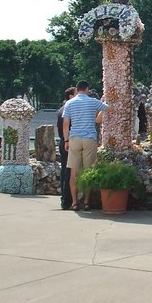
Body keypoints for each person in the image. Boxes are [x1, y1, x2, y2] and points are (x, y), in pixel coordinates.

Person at [62, 80, 108, 211]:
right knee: (88, 171)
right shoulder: (93, 102)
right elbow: (109, 108)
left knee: (73, 173)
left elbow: (66, 124)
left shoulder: (69, 103)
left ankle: (75, 202)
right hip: (89, 138)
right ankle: (87, 202)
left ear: (77, 89)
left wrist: (66, 141)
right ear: (87, 89)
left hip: (74, 138)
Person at [56, 86, 76, 209]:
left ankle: (64, 198)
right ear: (70, 96)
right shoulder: (69, 110)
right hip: (68, 141)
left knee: (65, 171)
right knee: (70, 172)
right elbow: (66, 126)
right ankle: (67, 200)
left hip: (62, 141)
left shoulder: (60, 110)